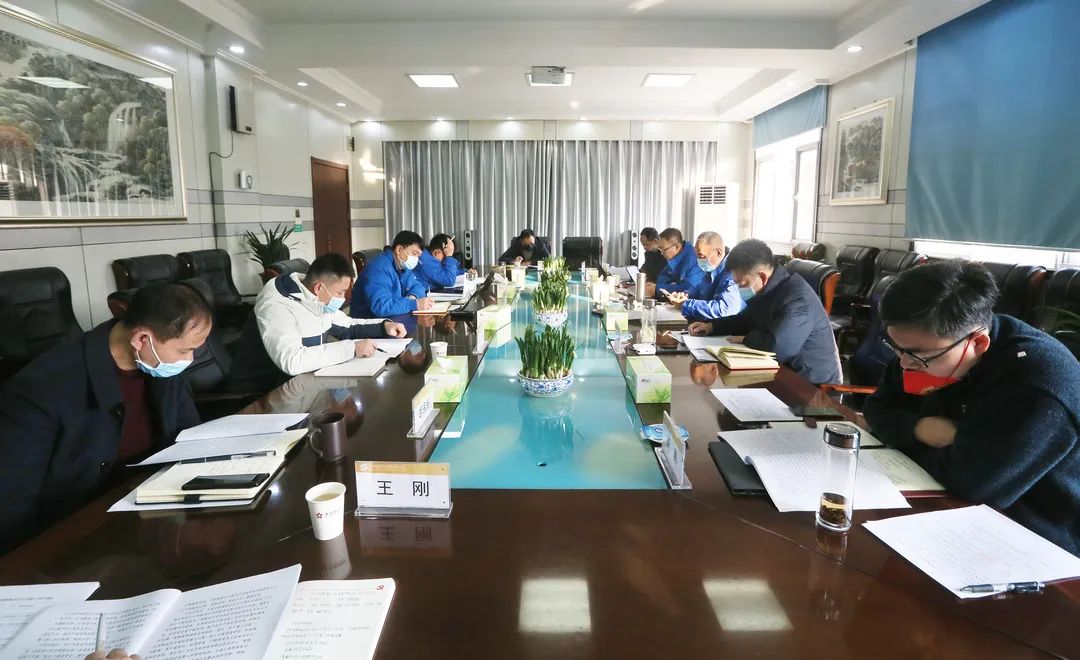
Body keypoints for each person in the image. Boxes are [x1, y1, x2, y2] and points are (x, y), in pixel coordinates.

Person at [864, 260, 1080, 554]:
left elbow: (971, 484)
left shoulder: (1037, 383)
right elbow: (876, 409)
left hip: (1038, 537)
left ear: (978, 343)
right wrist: (918, 429)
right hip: (947, 508)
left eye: (916, 355)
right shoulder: (926, 344)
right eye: (897, 348)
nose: (903, 363)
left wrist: (900, 433)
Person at [0, 283, 212, 553]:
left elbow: (187, 436)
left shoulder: (159, 365)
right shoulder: (40, 388)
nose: (189, 360)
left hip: (147, 514)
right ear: (141, 339)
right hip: (75, 537)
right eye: (183, 351)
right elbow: (12, 506)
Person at [228, 252, 406, 393]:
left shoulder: (315, 299)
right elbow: (292, 361)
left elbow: (348, 326)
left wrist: (384, 326)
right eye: (340, 293)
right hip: (264, 395)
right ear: (319, 287)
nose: (343, 299)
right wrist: (352, 349)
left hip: (303, 386)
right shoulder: (276, 306)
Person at [689, 239, 841, 385]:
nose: (739, 289)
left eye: (742, 283)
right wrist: (712, 326)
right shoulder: (768, 290)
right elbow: (746, 320)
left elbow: (778, 348)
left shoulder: (797, 298)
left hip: (812, 386)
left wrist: (746, 339)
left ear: (761, 277)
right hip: (780, 372)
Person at [664, 231, 744, 321]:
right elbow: (703, 296)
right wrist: (686, 297)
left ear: (718, 253)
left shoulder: (732, 274)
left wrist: (685, 304)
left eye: (701, 257)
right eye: (697, 256)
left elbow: (725, 309)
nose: (699, 261)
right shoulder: (712, 269)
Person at [351, 230, 433, 316]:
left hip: (392, 317)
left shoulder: (402, 265)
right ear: (399, 250)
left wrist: (413, 298)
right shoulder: (379, 268)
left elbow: (418, 287)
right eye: (414, 253)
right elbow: (381, 306)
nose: (416, 259)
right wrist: (413, 304)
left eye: (418, 256)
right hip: (369, 321)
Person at [648, 228, 705, 298]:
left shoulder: (694, 259)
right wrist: (671, 285)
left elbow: (689, 290)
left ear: (677, 247)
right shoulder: (674, 259)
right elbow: (661, 277)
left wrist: (657, 289)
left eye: (664, 249)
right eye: (660, 249)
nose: (661, 253)